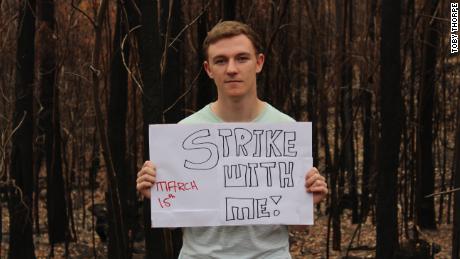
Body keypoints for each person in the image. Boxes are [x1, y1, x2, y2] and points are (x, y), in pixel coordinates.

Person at [136, 21, 328, 258]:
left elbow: (297, 226)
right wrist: (156, 193)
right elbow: (174, 222)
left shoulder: (286, 131)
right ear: (208, 69)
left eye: (241, 58)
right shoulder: (185, 133)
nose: (231, 69)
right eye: (221, 60)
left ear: (259, 63)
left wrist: (309, 200)